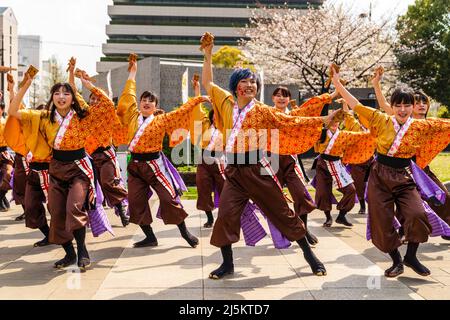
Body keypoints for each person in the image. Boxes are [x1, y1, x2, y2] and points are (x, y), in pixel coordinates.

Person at [200, 35, 345, 279]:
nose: (250, 85)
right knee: (225, 215)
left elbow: (291, 120)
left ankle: (311, 257)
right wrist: (207, 54)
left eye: (253, 82)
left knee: (282, 213)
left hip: (258, 170)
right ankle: (227, 264)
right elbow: (207, 82)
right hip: (234, 173)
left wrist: (323, 120)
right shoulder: (225, 102)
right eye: (245, 81)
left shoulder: (264, 111)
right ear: (236, 86)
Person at [332, 65, 450, 277]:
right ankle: (396, 261)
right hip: (380, 175)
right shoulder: (380, 119)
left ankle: (411, 256)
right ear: (392, 106)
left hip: (405, 176)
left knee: (417, 214)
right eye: (398, 105)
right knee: (382, 220)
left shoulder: (421, 126)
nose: (402, 109)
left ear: (413, 107)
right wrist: (338, 83)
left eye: (407, 105)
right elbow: (355, 104)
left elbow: (446, 125)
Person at [9, 69, 116, 272]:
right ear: (52, 98)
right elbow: (14, 111)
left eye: (66, 93)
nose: (61, 97)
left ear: (72, 97)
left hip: (79, 169)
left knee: (74, 207)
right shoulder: (43, 117)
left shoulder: (83, 116)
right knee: (56, 213)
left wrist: (89, 86)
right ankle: (69, 253)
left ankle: (83, 250)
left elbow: (109, 107)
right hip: (56, 169)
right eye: (57, 93)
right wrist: (25, 84)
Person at [117, 59, 209, 248]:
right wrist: (132, 73)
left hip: (154, 165)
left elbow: (182, 112)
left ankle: (185, 233)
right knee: (136, 201)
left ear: (155, 105)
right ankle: (150, 236)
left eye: (150, 101)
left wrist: (197, 98)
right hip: (135, 165)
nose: (146, 103)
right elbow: (127, 97)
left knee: (169, 198)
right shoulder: (133, 116)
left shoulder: (162, 120)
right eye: (143, 100)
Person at [372, 67, 450, 238]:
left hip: (423, 170)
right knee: (406, 203)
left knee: (442, 195)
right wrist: (376, 84)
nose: (422, 105)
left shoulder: (430, 123)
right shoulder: (401, 119)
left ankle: (446, 227)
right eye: (418, 102)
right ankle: (403, 231)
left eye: (424, 102)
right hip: (404, 170)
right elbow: (384, 103)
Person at [67, 58, 129, 228]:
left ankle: (122, 207)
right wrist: (72, 73)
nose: (94, 101)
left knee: (108, 182)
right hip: (89, 157)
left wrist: (89, 85)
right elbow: (73, 94)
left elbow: (108, 101)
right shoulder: (85, 113)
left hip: (106, 154)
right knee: (90, 188)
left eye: (97, 98)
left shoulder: (107, 111)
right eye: (91, 98)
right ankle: (92, 219)